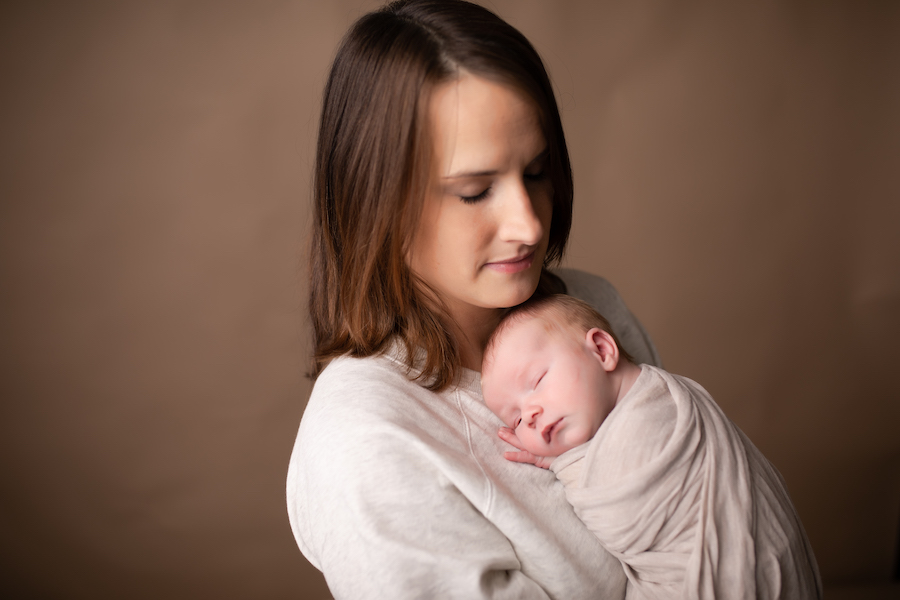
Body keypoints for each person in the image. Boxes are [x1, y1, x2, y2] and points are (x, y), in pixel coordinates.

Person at [285, 1, 663, 597]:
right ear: (377, 200)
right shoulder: (365, 442)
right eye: (474, 190)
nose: (529, 226)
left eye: (536, 172)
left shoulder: (592, 307)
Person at [481, 294, 823, 599]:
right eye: (515, 421)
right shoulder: (643, 398)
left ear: (602, 350)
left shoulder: (656, 413)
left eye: (537, 381)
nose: (531, 413)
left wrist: (563, 465)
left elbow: (618, 517)